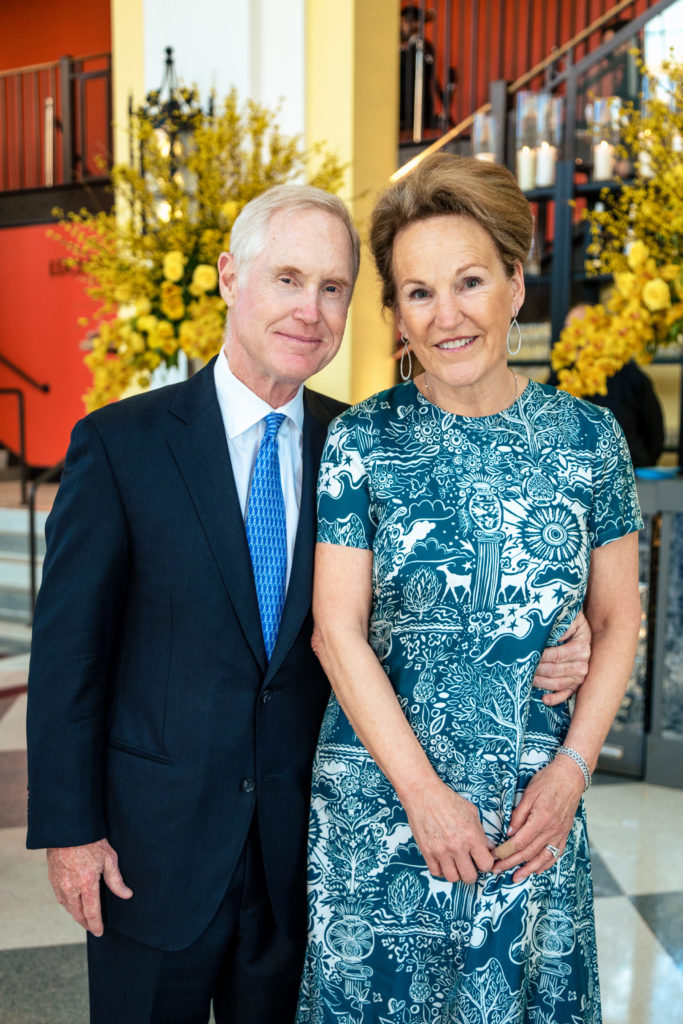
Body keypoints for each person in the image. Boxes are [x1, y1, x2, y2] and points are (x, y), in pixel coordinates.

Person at [26, 182, 588, 1024]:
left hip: (305, 854)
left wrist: (562, 634)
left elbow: (421, 606)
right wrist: (72, 831)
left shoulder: (361, 443)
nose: (310, 310)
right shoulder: (120, 445)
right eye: (287, 279)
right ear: (230, 277)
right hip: (154, 847)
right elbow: (69, 655)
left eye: (332, 288)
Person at [295, 154, 642, 1022]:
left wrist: (570, 774)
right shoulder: (361, 441)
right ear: (396, 314)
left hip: (532, 810)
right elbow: (335, 631)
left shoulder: (590, 439)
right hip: (383, 807)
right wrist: (424, 799)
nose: (445, 315)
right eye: (417, 292)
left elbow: (617, 620)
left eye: (469, 282)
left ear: (515, 286)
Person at [556, 304, 664, 468]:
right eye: (569, 331)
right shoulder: (559, 378)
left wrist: (641, 466)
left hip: (628, 475)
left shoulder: (630, 376)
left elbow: (654, 432)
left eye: (582, 329)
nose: (576, 337)